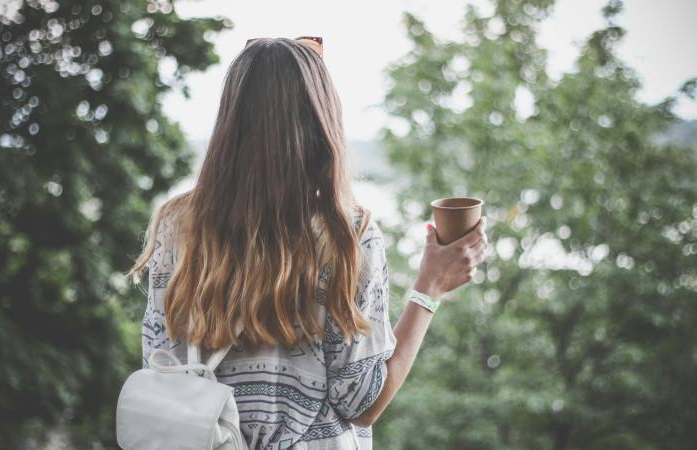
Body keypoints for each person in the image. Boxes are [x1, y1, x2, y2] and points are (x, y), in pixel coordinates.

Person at [126, 36, 487, 450]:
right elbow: (361, 403)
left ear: (230, 120)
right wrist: (430, 287)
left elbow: (161, 367)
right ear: (321, 123)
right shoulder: (344, 235)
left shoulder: (178, 226)